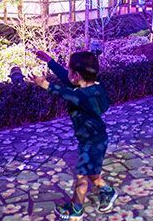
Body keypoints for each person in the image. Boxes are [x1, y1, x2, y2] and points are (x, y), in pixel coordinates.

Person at [30, 50, 118, 220]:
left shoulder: (80, 96)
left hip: (91, 142)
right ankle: (108, 191)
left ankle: (76, 208)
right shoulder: (94, 87)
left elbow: (64, 92)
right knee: (93, 173)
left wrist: (44, 84)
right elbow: (66, 78)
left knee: (81, 177)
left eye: (70, 70)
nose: (67, 72)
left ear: (77, 76)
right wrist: (50, 61)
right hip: (96, 138)